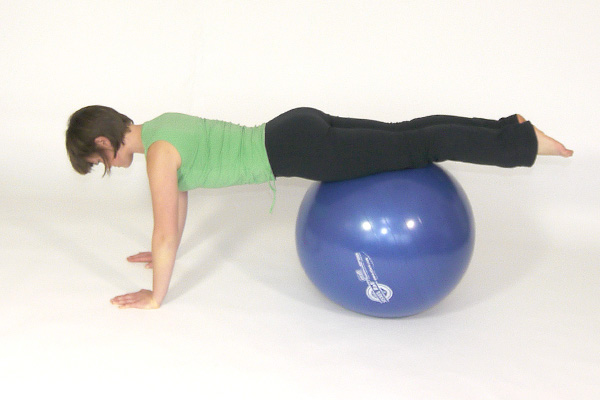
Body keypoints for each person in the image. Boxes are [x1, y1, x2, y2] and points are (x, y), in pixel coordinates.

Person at [65, 106, 573, 310]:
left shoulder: (156, 156)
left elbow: (165, 230)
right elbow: (177, 202)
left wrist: (155, 296)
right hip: (294, 126)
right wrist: (159, 255)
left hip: (298, 152)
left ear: (107, 143)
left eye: (99, 162)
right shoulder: (161, 127)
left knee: (423, 144)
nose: (109, 167)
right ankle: (510, 127)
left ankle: (524, 145)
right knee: (410, 134)